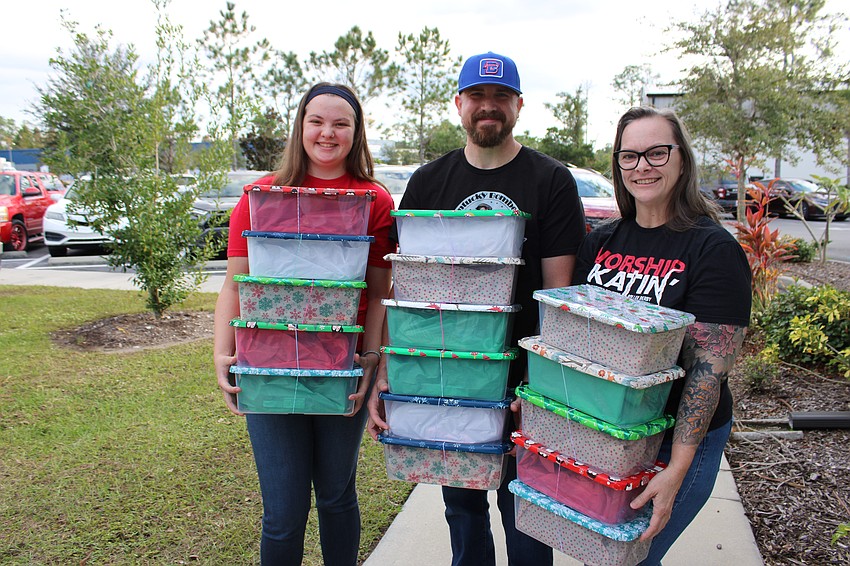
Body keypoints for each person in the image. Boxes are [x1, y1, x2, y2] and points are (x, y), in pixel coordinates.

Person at [367, 52, 587, 566]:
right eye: (478, 98)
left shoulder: (551, 181)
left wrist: (542, 387)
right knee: (462, 506)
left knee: (526, 506)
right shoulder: (428, 182)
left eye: (501, 98)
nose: (489, 108)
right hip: (452, 369)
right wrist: (391, 371)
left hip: (521, 374)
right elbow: (407, 288)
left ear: (518, 106)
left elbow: (559, 295)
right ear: (459, 104)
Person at [213, 82, 394, 565]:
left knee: (337, 497)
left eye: (341, 123)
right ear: (300, 127)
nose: (327, 133)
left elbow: (379, 293)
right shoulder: (260, 197)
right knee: (283, 512)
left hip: (343, 367)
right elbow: (235, 284)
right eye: (317, 121)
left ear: (356, 134)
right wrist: (221, 354)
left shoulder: (373, 200)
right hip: (268, 365)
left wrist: (373, 362)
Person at [572, 106, 752, 565]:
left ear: (681, 159)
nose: (642, 166)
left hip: (677, 437)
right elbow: (577, 338)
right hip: (613, 428)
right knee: (603, 550)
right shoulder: (602, 242)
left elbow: (709, 371)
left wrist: (678, 467)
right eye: (629, 156)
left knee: (633, 556)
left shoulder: (713, 249)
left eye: (656, 152)